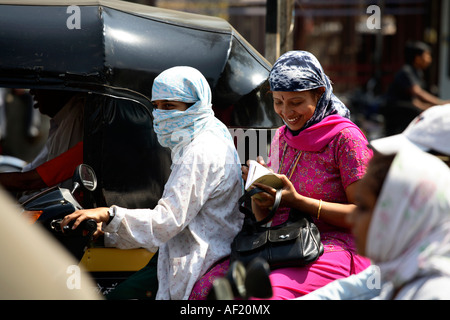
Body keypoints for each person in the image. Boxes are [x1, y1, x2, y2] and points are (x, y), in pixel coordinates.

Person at [60, 66, 243, 300]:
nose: (160, 115)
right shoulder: (208, 135)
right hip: (178, 249)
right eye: (156, 106)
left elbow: (166, 220)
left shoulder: (201, 151)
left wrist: (108, 214)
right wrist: (107, 232)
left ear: (195, 106)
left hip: (200, 258)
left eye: (169, 106)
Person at [243, 51, 372, 299]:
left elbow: (365, 215)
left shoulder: (346, 139)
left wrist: (298, 201)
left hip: (337, 247)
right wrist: (260, 193)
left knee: (267, 294)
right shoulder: (281, 137)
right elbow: (265, 218)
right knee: (210, 285)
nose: (285, 111)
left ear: (320, 94)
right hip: (285, 242)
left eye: (296, 102)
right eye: (278, 101)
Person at [296, 103, 450, 300]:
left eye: (416, 157)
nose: (399, 166)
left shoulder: (436, 289)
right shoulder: (407, 255)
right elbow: (365, 286)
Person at [352, 142, 450, 299]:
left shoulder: (435, 292)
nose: (350, 218)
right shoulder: (397, 277)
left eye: (363, 208)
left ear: (400, 217)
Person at [0, 89, 84, 196]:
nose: (32, 92)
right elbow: (30, 174)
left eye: (40, 87)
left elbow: (30, 180)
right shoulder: (60, 124)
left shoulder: (76, 119)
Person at [383, 41, 450, 135]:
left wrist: (431, 107)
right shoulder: (406, 71)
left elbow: (415, 101)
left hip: (407, 108)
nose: (429, 59)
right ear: (418, 58)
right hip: (397, 111)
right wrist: (440, 103)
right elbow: (417, 92)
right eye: (427, 55)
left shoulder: (417, 72)